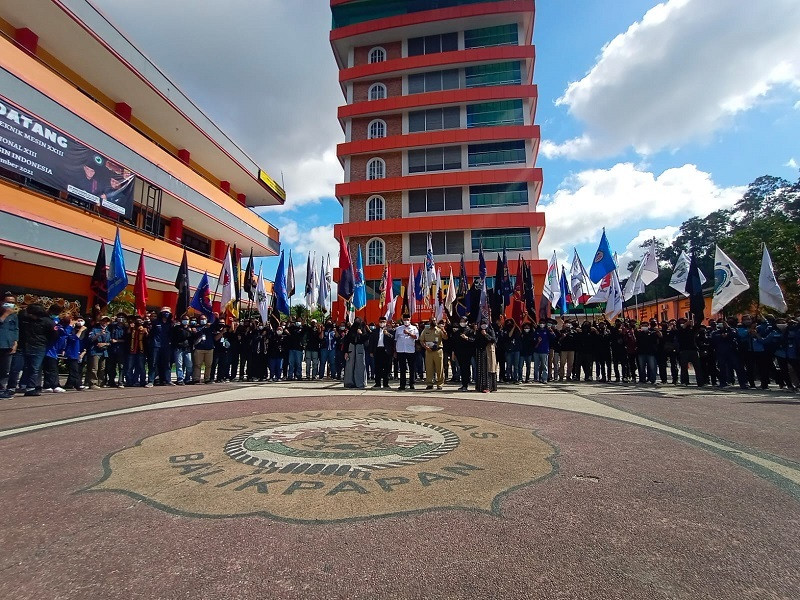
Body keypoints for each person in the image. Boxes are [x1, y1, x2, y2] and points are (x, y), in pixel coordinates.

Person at [18, 303, 58, 396]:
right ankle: (22, 385)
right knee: (23, 367)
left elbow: (55, 335)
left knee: (35, 368)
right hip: (24, 346)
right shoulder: (25, 320)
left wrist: (44, 341)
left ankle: (31, 388)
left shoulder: (48, 321)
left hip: (39, 347)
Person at [147, 307, 174, 387]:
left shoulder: (171, 323)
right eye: (164, 312)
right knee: (153, 363)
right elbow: (151, 334)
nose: (166, 313)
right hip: (155, 345)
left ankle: (167, 380)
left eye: (167, 312)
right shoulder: (155, 322)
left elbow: (172, 335)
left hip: (166, 346)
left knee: (167, 364)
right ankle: (150, 381)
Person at [420, 317, 448, 390]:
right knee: (429, 368)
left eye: (435, 320)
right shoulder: (425, 330)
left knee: (439, 368)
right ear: (429, 321)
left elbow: (445, 338)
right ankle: (429, 383)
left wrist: (443, 330)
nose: (433, 322)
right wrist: (426, 347)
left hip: (438, 351)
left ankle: (440, 384)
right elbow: (421, 340)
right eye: (432, 320)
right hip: (428, 351)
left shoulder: (439, 330)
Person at [0, 292, 20, 398]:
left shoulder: (14, 316)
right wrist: (5, 314)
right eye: (7, 302)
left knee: (5, 370)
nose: (10, 304)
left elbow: (16, 330)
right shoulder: (5, 314)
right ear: (2, 302)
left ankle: (2, 390)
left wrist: (15, 343)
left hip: (8, 345)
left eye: (12, 302)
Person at [676, 317, 705, 386]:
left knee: (697, 367)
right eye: (681, 322)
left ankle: (700, 382)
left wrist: (694, 321)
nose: (682, 323)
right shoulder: (679, 331)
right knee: (684, 367)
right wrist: (685, 324)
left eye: (684, 322)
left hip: (693, 350)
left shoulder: (692, 330)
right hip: (683, 350)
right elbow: (680, 332)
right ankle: (684, 381)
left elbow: (697, 327)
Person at [368, 316, 394, 388]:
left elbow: (393, 339)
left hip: (386, 351)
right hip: (378, 350)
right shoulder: (375, 331)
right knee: (377, 368)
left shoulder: (390, 330)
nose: (382, 323)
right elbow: (371, 342)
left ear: (386, 322)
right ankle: (378, 383)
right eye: (381, 322)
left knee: (387, 368)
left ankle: (386, 384)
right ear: (378, 322)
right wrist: (371, 351)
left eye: (383, 322)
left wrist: (387, 334)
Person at [343, 318, 369, 389]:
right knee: (350, 366)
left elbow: (367, 337)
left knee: (360, 366)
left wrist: (361, 333)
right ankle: (349, 382)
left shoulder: (363, 328)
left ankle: (361, 383)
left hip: (360, 347)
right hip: (351, 348)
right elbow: (347, 341)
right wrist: (345, 352)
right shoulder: (351, 330)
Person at [394, 315, 419, 391]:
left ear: (410, 319)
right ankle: (402, 384)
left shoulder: (414, 328)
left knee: (412, 368)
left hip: (410, 350)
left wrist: (409, 333)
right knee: (402, 368)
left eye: (407, 319)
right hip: (401, 350)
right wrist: (395, 351)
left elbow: (416, 337)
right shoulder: (398, 329)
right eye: (404, 319)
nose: (406, 321)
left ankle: (412, 383)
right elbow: (395, 340)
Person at [86, 316, 111, 389]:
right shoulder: (95, 330)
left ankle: (101, 382)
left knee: (102, 368)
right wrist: (98, 334)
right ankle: (93, 383)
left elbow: (110, 342)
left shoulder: (108, 332)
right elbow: (90, 339)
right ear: (100, 321)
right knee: (94, 368)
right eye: (103, 321)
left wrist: (105, 344)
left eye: (106, 321)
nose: (105, 323)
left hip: (104, 352)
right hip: (95, 351)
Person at [450, 317, 474, 392]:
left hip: (467, 353)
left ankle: (466, 384)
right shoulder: (458, 331)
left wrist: (467, 338)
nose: (462, 322)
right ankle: (463, 384)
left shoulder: (470, 331)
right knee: (461, 369)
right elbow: (454, 343)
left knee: (466, 368)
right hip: (459, 353)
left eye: (463, 321)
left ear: (467, 322)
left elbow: (473, 340)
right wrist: (453, 353)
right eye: (461, 321)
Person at [192, 316, 218, 384]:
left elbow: (217, 326)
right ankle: (196, 378)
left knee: (209, 365)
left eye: (204, 319)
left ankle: (207, 378)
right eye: (201, 319)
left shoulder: (210, 327)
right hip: (199, 349)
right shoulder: (197, 327)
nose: (203, 320)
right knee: (197, 365)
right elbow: (195, 335)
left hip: (209, 349)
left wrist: (217, 318)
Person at [64, 316, 86, 391]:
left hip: (79, 352)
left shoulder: (85, 331)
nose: (79, 322)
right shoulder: (70, 330)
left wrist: (84, 351)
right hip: (71, 353)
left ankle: (69, 384)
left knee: (77, 369)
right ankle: (78, 384)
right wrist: (80, 330)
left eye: (81, 320)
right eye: (78, 320)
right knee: (74, 370)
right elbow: (74, 338)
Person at [474, 321, 497, 393]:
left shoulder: (490, 330)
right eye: (482, 324)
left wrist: (486, 334)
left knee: (489, 369)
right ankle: (480, 387)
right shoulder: (478, 331)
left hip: (488, 352)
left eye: (484, 323)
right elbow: (476, 341)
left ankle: (489, 387)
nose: (483, 325)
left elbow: (494, 340)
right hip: (480, 352)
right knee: (481, 370)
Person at [172, 315, 194, 385]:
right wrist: (188, 331)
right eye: (184, 319)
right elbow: (182, 336)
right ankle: (180, 379)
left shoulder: (191, 329)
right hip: (179, 348)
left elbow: (192, 338)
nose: (186, 321)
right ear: (181, 320)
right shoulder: (177, 328)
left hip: (188, 349)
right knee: (179, 365)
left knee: (189, 365)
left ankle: (187, 378)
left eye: (187, 319)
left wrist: (193, 332)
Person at [126, 316, 147, 387]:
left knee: (141, 368)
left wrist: (146, 332)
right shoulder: (131, 328)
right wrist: (129, 328)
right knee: (129, 367)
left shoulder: (144, 329)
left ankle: (142, 381)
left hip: (141, 351)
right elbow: (126, 337)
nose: (139, 321)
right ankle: (129, 382)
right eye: (137, 320)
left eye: (140, 320)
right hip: (131, 351)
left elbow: (148, 339)